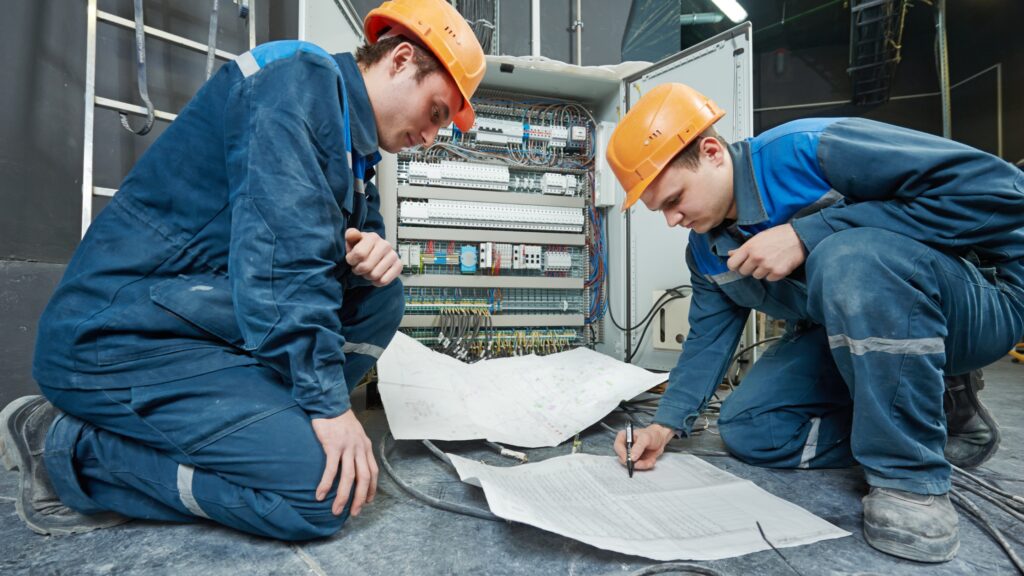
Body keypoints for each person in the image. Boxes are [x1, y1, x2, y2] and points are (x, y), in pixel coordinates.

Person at [0, 0, 484, 540]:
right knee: (318, 499)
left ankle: (278, 424)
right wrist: (329, 406)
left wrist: (378, 249)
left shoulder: (356, 157)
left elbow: (337, 255)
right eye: (436, 112)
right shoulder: (298, 82)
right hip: (116, 337)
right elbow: (284, 260)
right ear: (399, 60)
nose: (430, 136)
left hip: (193, 323)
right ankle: (63, 445)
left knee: (381, 294)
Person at [606, 83, 1024, 562]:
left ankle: (910, 479)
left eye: (675, 199)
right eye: (660, 209)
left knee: (851, 257)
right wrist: (664, 426)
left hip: (979, 299)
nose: (672, 219)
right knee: (751, 428)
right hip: (849, 332)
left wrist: (810, 233)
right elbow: (708, 339)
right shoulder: (705, 249)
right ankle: (939, 412)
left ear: (712, 152)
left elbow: (1002, 189)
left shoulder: (809, 150)